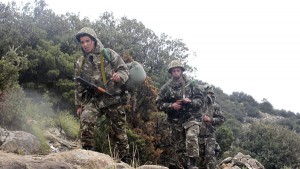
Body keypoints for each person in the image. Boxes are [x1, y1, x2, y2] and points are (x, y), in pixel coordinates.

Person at [74, 27, 130, 163]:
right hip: (94, 99)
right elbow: (78, 85)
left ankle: (125, 161)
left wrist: (119, 76)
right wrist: (79, 105)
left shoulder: (108, 53)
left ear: (93, 40)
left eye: (87, 41)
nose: (85, 44)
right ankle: (88, 156)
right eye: (82, 42)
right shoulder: (80, 62)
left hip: (112, 98)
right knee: (86, 120)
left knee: (119, 133)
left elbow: (125, 70)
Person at [156, 60, 205, 169]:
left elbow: (200, 100)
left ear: (182, 71)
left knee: (191, 136)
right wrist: (171, 106)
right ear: (171, 72)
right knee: (179, 148)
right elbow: (158, 103)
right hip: (175, 121)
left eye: (178, 70)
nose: (176, 72)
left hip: (191, 117)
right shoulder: (166, 88)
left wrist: (190, 101)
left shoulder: (191, 84)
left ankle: (192, 164)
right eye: (174, 71)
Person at [198, 85, 225, 169]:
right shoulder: (197, 104)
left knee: (210, 157)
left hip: (209, 135)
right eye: (206, 93)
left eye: (210, 93)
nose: (208, 95)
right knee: (198, 160)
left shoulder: (215, 106)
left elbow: (221, 119)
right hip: (197, 136)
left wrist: (211, 119)